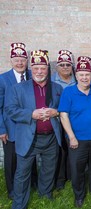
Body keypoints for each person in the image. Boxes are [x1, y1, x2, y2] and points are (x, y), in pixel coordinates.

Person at [5, 50, 62, 209]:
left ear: (47, 69)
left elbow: (64, 109)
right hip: (29, 138)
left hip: (51, 138)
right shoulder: (18, 88)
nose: (39, 71)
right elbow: (10, 110)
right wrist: (31, 114)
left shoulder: (57, 88)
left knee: (48, 169)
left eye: (42, 68)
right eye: (36, 67)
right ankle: (19, 206)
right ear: (31, 67)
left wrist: (56, 112)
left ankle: (45, 194)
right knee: (22, 174)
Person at [58, 56, 91, 208]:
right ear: (76, 76)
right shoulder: (68, 92)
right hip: (77, 140)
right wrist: (71, 137)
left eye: (87, 74)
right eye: (81, 74)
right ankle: (79, 195)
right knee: (77, 170)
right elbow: (63, 115)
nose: (84, 77)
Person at [0, 42, 30, 200]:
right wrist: (1, 129)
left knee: (29, 157)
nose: (20, 62)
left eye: (22, 59)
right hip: (10, 128)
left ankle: (31, 185)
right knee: (11, 160)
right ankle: (12, 190)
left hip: (29, 127)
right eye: (16, 59)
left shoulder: (32, 75)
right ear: (11, 60)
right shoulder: (3, 79)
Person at [52, 49, 76, 190]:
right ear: (57, 66)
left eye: (68, 64)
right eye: (62, 64)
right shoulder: (52, 81)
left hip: (73, 121)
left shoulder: (77, 80)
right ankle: (60, 179)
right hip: (56, 121)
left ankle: (72, 176)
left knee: (73, 148)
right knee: (60, 150)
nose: (65, 67)